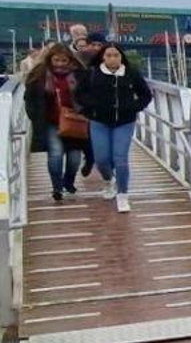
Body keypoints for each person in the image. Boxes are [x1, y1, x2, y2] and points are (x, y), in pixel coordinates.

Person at [75, 43, 152, 213]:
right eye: (108, 55)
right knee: (102, 159)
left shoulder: (131, 73)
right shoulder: (93, 73)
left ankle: (123, 195)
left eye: (116, 55)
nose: (112, 58)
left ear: (121, 57)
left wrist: (134, 106)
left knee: (120, 158)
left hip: (125, 121)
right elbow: (79, 94)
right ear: (103, 57)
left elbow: (146, 94)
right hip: (99, 121)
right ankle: (109, 180)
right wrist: (92, 106)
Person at [22, 44, 89, 201]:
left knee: (74, 159)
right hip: (51, 121)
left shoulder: (79, 75)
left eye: (63, 60)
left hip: (75, 121)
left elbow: (89, 95)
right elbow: (29, 99)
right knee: (56, 154)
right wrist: (35, 117)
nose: (59, 64)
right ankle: (56, 187)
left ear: (69, 60)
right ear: (50, 59)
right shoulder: (39, 75)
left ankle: (69, 181)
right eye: (56, 60)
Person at [69, 26, 104, 179]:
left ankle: (98, 162)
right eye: (93, 44)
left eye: (99, 45)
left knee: (99, 135)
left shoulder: (108, 57)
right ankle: (90, 158)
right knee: (86, 134)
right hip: (83, 103)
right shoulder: (75, 57)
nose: (96, 48)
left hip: (103, 104)